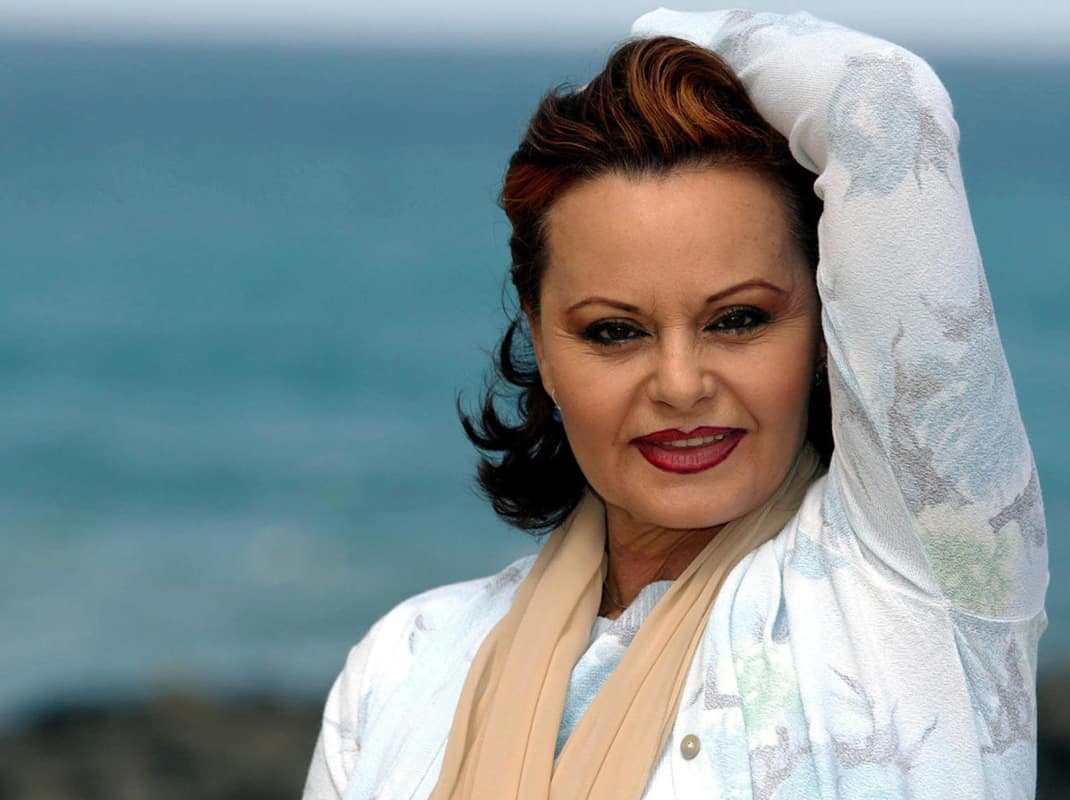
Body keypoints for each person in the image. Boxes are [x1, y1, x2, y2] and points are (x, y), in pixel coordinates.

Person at [303, 9, 1048, 799]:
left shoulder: (914, 591)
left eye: (738, 320)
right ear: (542, 346)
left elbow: (885, 100)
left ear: (824, 329)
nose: (681, 384)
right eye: (615, 331)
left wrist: (659, 32)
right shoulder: (404, 665)